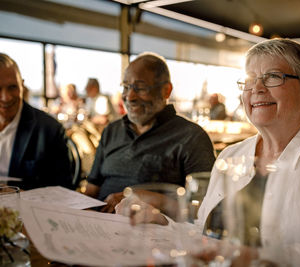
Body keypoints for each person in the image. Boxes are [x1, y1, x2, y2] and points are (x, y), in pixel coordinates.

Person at [118, 39, 300, 266]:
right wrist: (162, 221)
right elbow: (207, 235)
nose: (257, 88)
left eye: (273, 77)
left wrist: (266, 260)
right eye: (250, 79)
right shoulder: (230, 157)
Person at [84, 52, 216, 212]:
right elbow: (91, 191)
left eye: (140, 88)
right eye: (126, 87)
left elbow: (206, 210)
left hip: (152, 231)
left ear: (166, 91)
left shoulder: (191, 138)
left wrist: (153, 200)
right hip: (98, 224)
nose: (130, 96)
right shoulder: (111, 131)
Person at [0, 53, 73, 190]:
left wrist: (21, 196)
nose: (6, 97)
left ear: (22, 85)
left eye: (12, 87)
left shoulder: (49, 130)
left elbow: (63, 190)